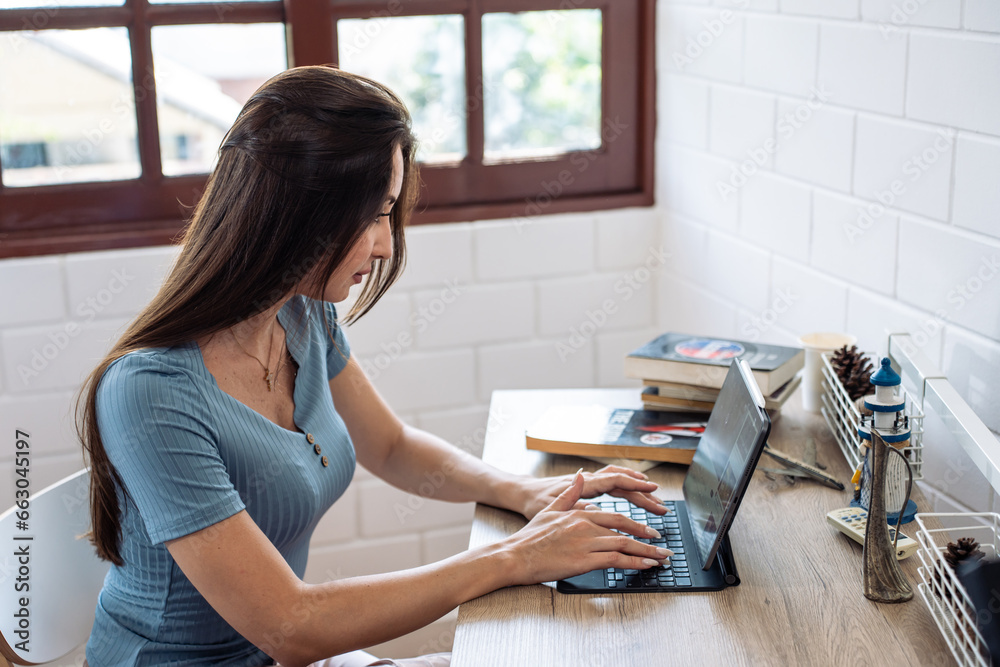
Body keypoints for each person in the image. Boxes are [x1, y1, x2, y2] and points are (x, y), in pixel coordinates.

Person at [76, 65, 672, 667]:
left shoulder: (302, 317)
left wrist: (524, 492)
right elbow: (289, 625)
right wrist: (514, 557)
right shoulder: (150, 392)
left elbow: (390, 446)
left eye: (387, 212)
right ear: (295, 213)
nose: (385, 244)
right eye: (374, 214)